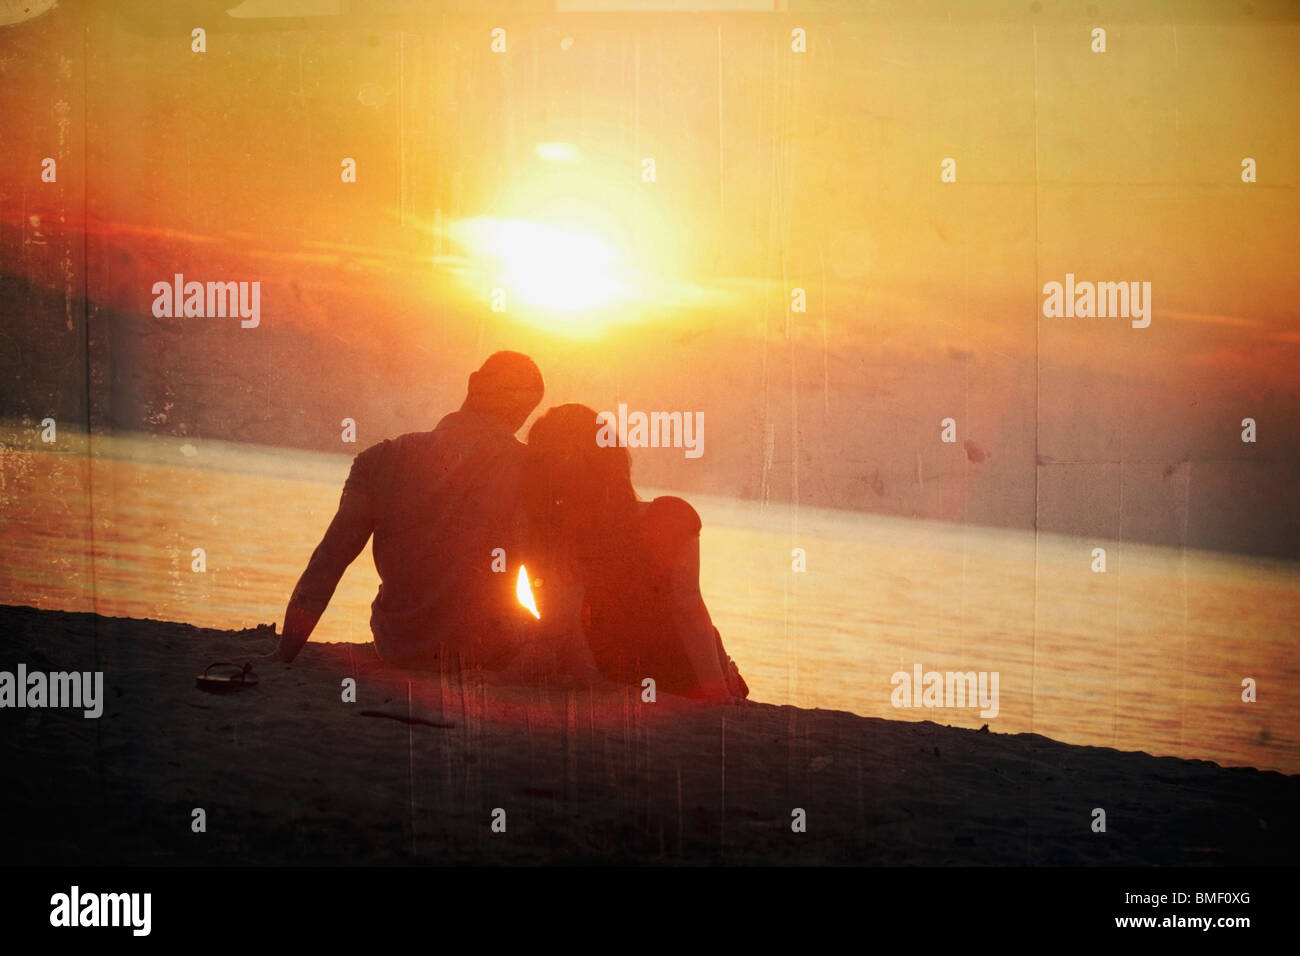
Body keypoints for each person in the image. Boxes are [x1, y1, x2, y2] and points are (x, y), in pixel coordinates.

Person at [266, 351, 545, 668]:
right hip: (487, 650)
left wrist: (284, 653)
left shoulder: (380, 460)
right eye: (518, 402)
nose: (518, 413)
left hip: (399, 646)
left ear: (475, 383)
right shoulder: (530, 471)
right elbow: (545, 576)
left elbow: (328, 560)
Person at [519, 403, 748, 702]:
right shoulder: (671, 516)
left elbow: (563, 625)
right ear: (612, 459)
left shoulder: (552, 538)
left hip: (625, 677)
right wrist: (717, 691)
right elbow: (688, 609)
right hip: (685, 678)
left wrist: (595, 684)